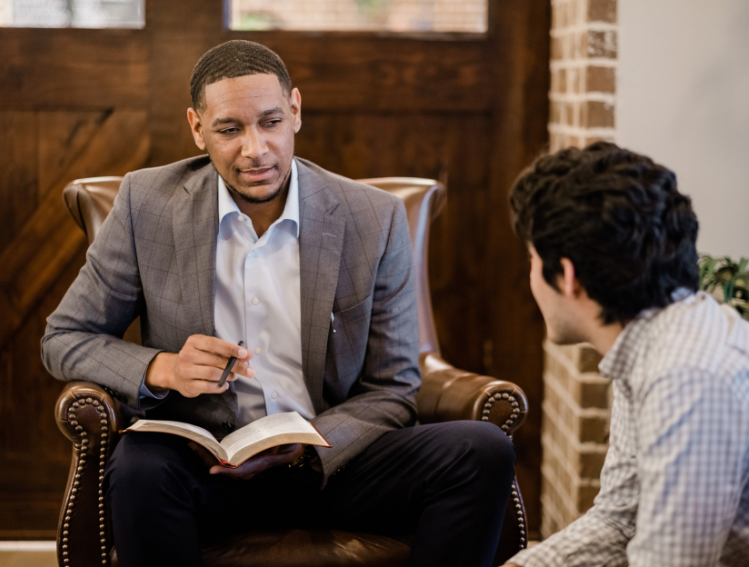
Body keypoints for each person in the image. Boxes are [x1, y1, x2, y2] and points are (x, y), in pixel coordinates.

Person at [42, 40, 515, 567]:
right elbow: (64, 338)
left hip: (333, 461)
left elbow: (395, 387)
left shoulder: (373, 219)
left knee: (482, 449)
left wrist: (310, 444)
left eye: (270, 122)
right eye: (229, 129)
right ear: (198, 128)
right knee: (137, 467)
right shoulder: (145, 204)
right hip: (206, 467)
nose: (256, 149)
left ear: (294, 110)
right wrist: (164, 367)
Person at [502, 142, 749, 567]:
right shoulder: (646, 342)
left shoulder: (688, 376)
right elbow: (621, 521)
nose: (528, 276)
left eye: (530, 259)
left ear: (566, 275)